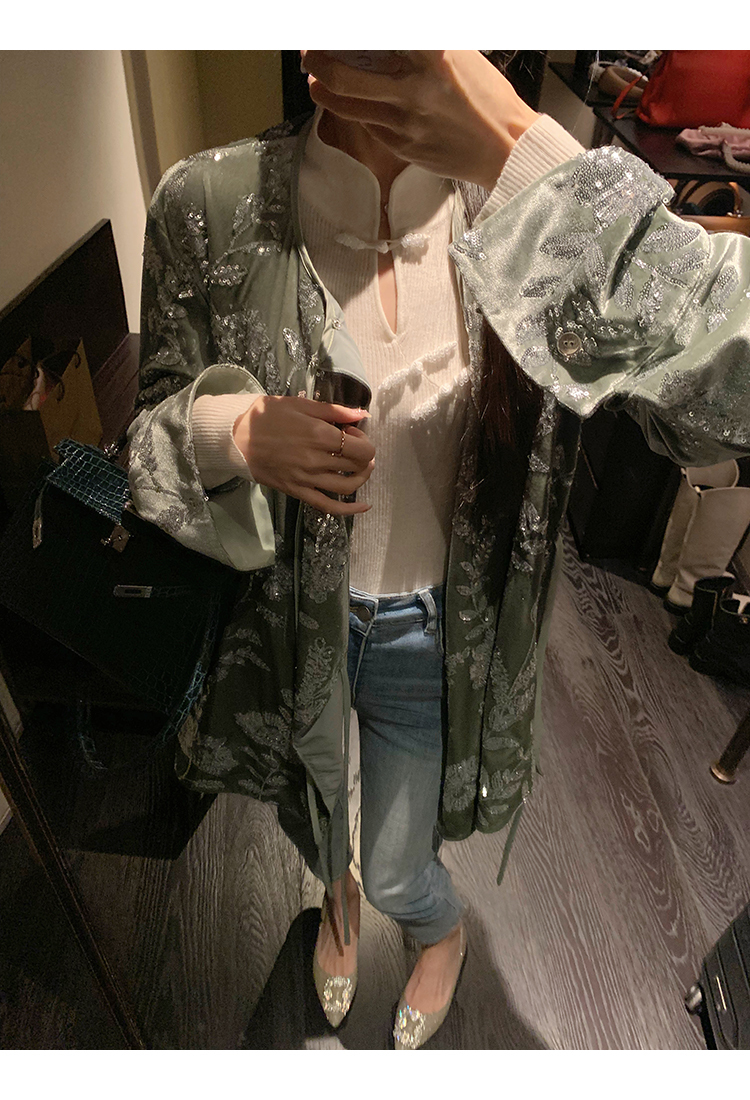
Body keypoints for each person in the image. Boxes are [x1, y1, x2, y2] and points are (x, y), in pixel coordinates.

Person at [128, 51, 750, 1049]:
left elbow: (719, 413)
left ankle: (437, 923)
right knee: (312, 814)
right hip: (288, 625)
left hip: (429, 635)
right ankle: (335, 912)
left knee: (398, 860)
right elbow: (147, 435)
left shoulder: (536, 216)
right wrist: (233, 430)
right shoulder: (207, 204)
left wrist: (529, 165)